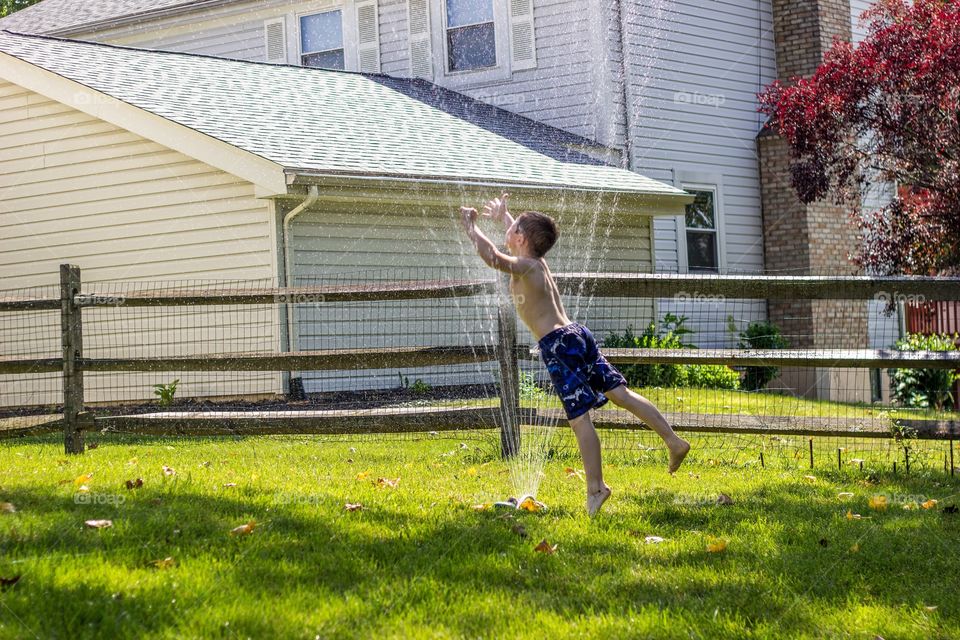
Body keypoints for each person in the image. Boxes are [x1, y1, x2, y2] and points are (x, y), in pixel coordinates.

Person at [460, 192, 690, 516]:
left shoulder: (525, 266)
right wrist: (505, 217)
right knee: (621, 394)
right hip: (577, 334)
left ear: (521, 239)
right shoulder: (536, 261)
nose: (507, 233)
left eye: (512, 230)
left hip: (558, 345)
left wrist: (472, 228)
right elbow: (516, 240)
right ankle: (672, 441)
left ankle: (597, 488)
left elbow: (494, 258)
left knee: (579, 418)